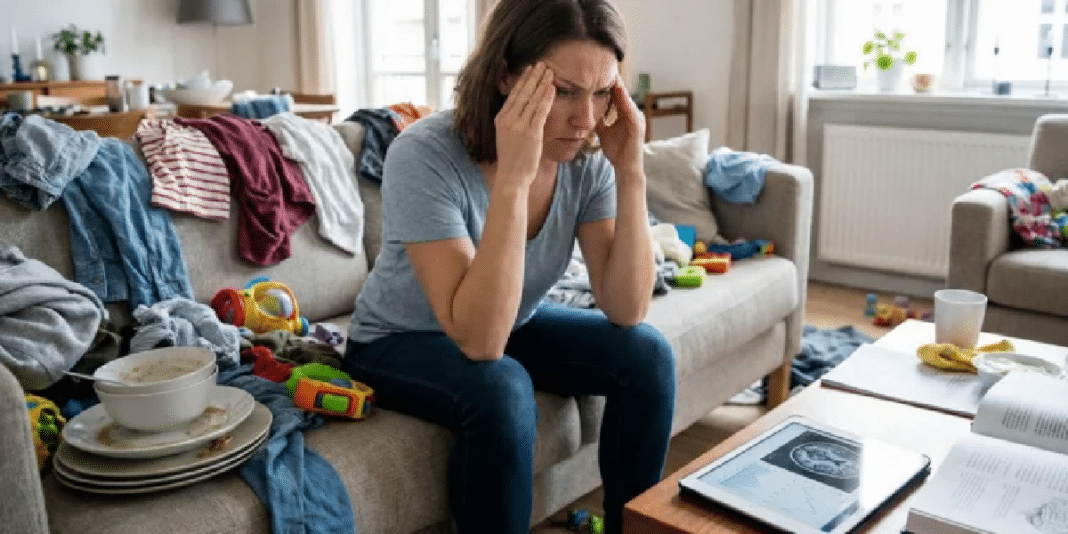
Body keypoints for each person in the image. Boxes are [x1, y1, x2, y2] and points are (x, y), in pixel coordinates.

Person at [341, 0, 675, 532]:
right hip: (397, 340)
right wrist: (516, 177)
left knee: (647, 353)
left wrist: (630, 170)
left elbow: (627, 307)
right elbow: (480, 344)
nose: (585, 119)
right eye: (564, 91)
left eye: (600, 93)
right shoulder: (423, 152)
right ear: (504, 76)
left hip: (504, 320)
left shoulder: (587, 157)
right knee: (501, 386)